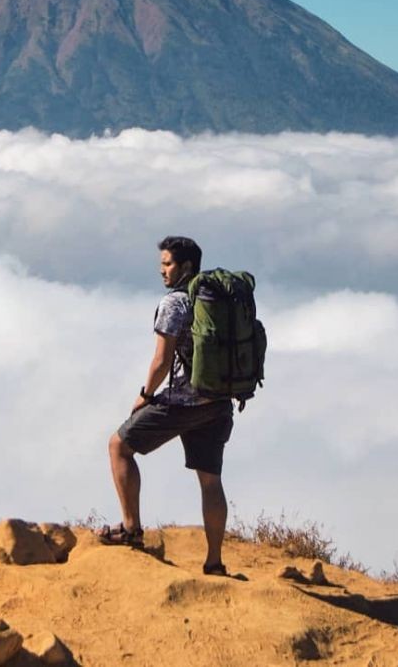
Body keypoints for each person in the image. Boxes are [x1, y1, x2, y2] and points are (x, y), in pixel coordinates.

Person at [100, 235, 234, 576]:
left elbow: (162, 360)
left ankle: (130, 530)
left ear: (186, 266)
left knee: (118, 446)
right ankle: (214, 562)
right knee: (210, 481)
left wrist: (145, 396)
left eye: (168, 264)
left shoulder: (174, 303)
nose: (162, 271)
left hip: (181, 403)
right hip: (217, 401)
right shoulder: (216, 298)